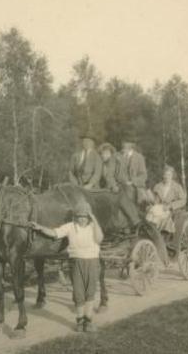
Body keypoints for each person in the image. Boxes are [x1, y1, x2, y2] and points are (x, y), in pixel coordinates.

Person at [30, 201, 103, 332]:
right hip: (76, 262)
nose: (82, 219)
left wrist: (95, 220)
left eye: (84, 216)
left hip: (92, 262)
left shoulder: (93, 227)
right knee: (78, 292)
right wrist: (39, 227)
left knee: (90, 292)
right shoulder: (70, 227)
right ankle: (80, 321)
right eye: (79, 216)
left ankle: (89, 321)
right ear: (75, 217)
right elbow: (54, 233)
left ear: (89, 217)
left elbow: (99, 239)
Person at [146, 165, 186, 234]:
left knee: (155, 216)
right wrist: (149, 195)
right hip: (160, 208)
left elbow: (183, 200)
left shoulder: (177, 187)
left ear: (172, 176)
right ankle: (151, 232)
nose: (167, 177)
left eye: (169, 175)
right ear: (163, 175)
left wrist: (170, 206)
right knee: (151, 213)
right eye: (165, 174)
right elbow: (156, 201)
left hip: (171, 210)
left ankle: (155, 233)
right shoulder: (158, 186)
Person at [115, 137, 148, 202]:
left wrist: (132, 182)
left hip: (134, 186)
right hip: (119, 184)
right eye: (123, 143)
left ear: (132, 146)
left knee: (129, 193)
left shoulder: (139, 157)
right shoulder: (117, 156)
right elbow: (113, 172)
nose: (123, 145)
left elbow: (143, 175)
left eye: (127, 142)